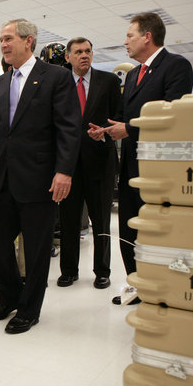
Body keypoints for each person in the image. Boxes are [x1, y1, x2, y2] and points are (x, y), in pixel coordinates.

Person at [0, 19, 81, 334]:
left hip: (40, 179)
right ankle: (9, 296)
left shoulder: (57, 77)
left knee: (36, 250)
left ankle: (29, 309)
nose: (3, 45)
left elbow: (69, 128)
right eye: (0, 40)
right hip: (2, 178)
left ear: (29, 41)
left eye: (8, 38)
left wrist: (64, 171)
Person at [88, 12, 193, 305]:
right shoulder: (133, 74)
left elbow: (175, 115)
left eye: (130, 35)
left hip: (160, 168)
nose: (125, 42)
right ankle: (137, 284)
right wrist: (108, 130)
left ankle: (161, 289)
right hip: (132, 166)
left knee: (156, 232)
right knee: (129, 228)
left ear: (147, 36)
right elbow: (125, 117)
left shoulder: (176, 66)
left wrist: (128, 128)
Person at [57, 37, 121, 290]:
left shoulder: (109, 81)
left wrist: (105, 130)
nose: (84, 55)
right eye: (79, 52)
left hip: (101, 162)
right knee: (69, 221)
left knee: (101, 221)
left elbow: (119, 118)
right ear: (68, 57)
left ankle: (102, 271)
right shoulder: (60, 84)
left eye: (88, 51)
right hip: (69, 165)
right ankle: (69, 271)